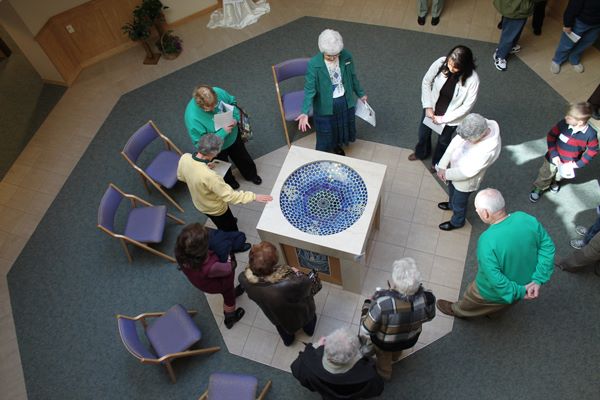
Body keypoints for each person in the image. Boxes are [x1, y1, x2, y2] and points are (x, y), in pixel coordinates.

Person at [436, 188, 555, 318]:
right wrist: (538, 279)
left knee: (471, 299)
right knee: (504, 304)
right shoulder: (525, 217)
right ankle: (493, 314)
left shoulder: (487, 240)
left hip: (492, 291)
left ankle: (458, 310)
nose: (477, 212)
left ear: (485, 213)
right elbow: (548, 247)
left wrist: (519, 291)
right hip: (528, 283)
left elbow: (494, 278)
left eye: (477, 210)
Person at [359, 258, 436, 380]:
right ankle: (396, 356)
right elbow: (430, 317)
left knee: (384, 359)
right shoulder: (428, 298)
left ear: (394, 285)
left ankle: (384, 374)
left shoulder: (382, 305)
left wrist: (368, 304)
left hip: (385, 344)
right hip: (410, 339)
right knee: (398, 349)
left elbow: (366, 329)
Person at [177, 134, 272, 231]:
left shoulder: (185, 157)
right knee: (230, 229)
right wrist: (254, 197)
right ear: (212, 154)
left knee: (221, 222)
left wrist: (203, 167)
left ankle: (229, 223)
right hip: (215, 208)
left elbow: (181, 177)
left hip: (199, 204)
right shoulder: (210, 176)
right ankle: (237, 244)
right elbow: (230, 196)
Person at [296, 29, 367, 156]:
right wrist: (304, 111)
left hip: (344, 100)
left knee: (342, 126)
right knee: (326, 130)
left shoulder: (346, 56)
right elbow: (309, 89)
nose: (333, 58)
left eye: (336, 55)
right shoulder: (314, 64)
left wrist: (360, 93)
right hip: (325, 104)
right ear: (322, 51)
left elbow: (352, 77)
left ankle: (337, 146)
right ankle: (323, 153)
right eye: (329, 56)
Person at [408, 45, 479, 170]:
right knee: (423, 134)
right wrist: (428, 106)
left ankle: (437, 164)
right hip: (432, 109)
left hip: (450, 118)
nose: (451, 69)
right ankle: (422, 153)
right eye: (450, 64)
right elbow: (426, 82)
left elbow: (466, 107)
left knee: (443, 142)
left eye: (455, 67)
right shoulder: (441, 62)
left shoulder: (473, 80)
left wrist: (442, 119)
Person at [238, 241, 317, 346]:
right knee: (308, 321)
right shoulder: (289, 283)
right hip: (298, 312)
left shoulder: (243, 278)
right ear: (273, 264)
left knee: (282, 328)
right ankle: (309, 331)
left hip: (274, 315)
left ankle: (288, 341)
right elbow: (307, 284)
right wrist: (297, 273)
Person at [184, 85, 262, 189]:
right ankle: (230, 182)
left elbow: (232, 102)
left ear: (215, 94)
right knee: (222, 166)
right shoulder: (192, 117)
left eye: (215, 104)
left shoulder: (218, 91)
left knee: (242, 156)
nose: (214, 109)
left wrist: (235, 117)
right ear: (201, 106)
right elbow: (202, 145)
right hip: (216, 149)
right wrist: (223, 133)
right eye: (209, 108)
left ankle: (251, 174)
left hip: (233, 137)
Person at [436, 113, 501, 231]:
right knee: (452, 192)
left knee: (459, 203)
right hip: (452, 171)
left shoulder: (487, 151)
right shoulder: (475, 125)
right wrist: (442, 166)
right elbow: (455, 143)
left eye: (468, 139)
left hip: (465, 182)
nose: (464, 140)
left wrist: (446, 174)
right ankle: (451, 204)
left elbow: (467, 172)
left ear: (480, 135)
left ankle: (457, 221)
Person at [174, 223, 246, 329]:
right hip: (219, 284)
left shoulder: (181, 253)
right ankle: (230, 317)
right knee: (229, 296)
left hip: (199, 280)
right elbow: (228, 268)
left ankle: (232, 302)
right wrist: (229, 255)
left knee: (229, 293)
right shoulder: (211, 266)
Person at [529, 102, 598, 203]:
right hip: (552, 158)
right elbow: (551, 136)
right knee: (545, 173)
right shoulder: (563, 124)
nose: (566, 117)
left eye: (569, 117)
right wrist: (554, 155)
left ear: (580, 122)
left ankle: (555, 182)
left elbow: (593, 150)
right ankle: (539, 188)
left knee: (559, 175)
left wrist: (578, 164)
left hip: (568, 163)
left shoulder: (591, 134)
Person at [291, 328, 384, 400]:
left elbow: (296, 370)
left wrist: (316, 347)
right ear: (354, 354)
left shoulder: (307, 363)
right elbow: (377, 389)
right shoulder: (366, 374)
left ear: (326, 345)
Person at [550, 0, 600, 74]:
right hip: (580, 21)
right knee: (567, 43)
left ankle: (574, 57)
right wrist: (567, 24)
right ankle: (557, 60)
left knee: (587, 42)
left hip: (597, 25)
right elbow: (572, 6)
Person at [492, 0, 534, 71]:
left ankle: (511, 46)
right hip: (517, 8)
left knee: (515, 30)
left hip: (515, 7)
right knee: (510, 33)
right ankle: (500, 56)